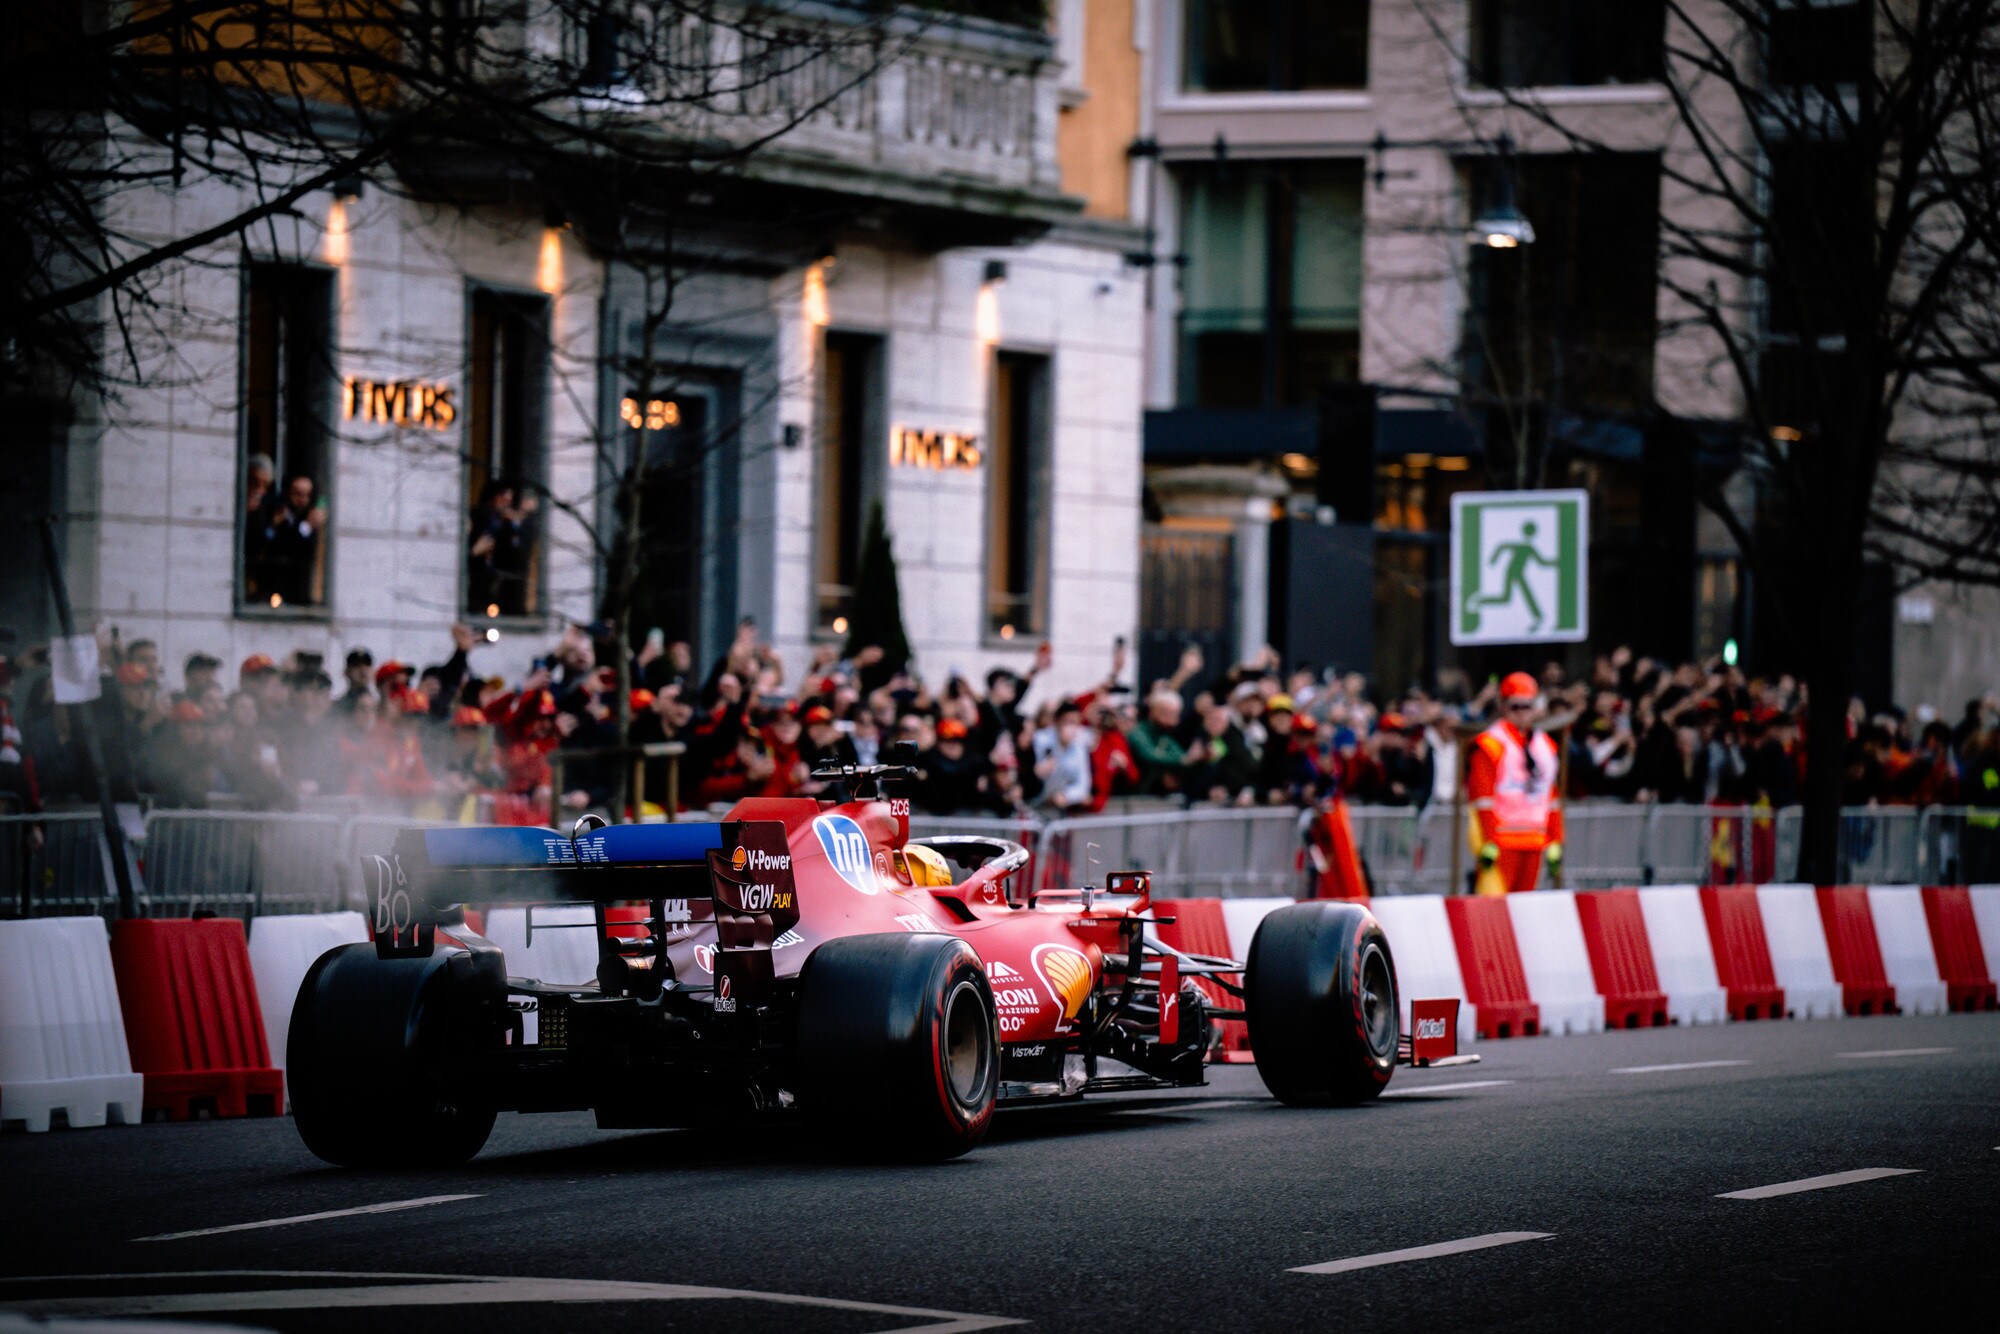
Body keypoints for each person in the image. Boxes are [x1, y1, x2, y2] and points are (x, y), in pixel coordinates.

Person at [1465, 671, 1563, 894]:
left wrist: (1555, 839)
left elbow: (1551, 796)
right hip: (1501, 843)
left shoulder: (1544, 746)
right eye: (1515, 706)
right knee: (1494, 908)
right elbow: (1481, 797)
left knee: (1524, 908)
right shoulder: (1490, 744)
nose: (1521, 713)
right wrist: (1487, 841)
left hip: (1534, 839)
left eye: (1526, 706)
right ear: (1503, 706)